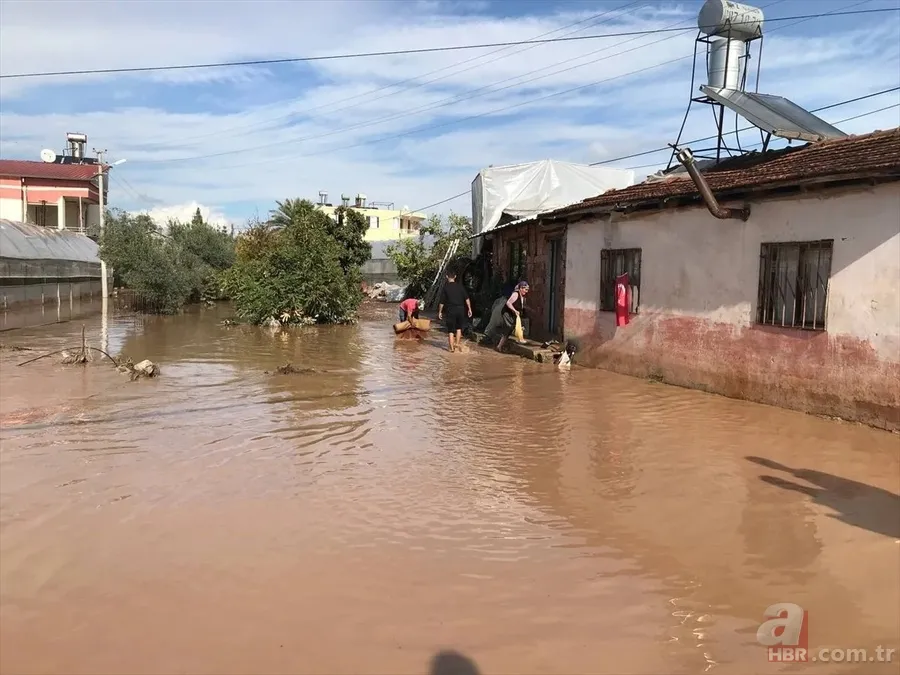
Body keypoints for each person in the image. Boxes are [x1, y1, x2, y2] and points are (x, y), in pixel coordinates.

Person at [438, 269, 472, 353]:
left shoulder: (446, 288)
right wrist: (469, 309)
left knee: (450, 331)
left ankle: (452, 349)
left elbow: (442, 302)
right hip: (461, 309)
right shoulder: (460, 287)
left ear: (447, 277)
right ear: (455, 277)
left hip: (451, 310)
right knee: (459, 328)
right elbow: (467, 298)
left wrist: (440, 312)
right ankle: (456, 345)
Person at [496, 280, 530, 353]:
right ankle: (519, 339)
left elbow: (521, 307)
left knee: (510, 329)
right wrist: (514, 310)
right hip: (506, 313)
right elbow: (508, 303)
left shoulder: (522, 297)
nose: (526, 291)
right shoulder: (516, 294)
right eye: (525, 289)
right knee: (511, 326)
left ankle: (499, 346)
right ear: (521, 288)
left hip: (513, 314)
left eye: (527, 290)